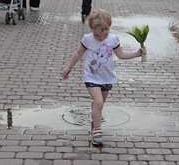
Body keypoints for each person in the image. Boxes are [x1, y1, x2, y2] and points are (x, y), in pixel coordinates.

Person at [62, 9, 147, 146]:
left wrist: (137, 54)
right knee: (99, 102)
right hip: (92, 77)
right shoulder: (87, 39)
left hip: (107, 78)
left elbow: (121, 55)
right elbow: (78, 54)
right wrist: (68, 68)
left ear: (109, 28)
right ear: (91, 29)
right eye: (97, 35)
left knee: (99, 103)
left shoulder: (113, 39)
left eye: (104, 34)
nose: (101, 38)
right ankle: (97, 130)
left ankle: (95, 109)